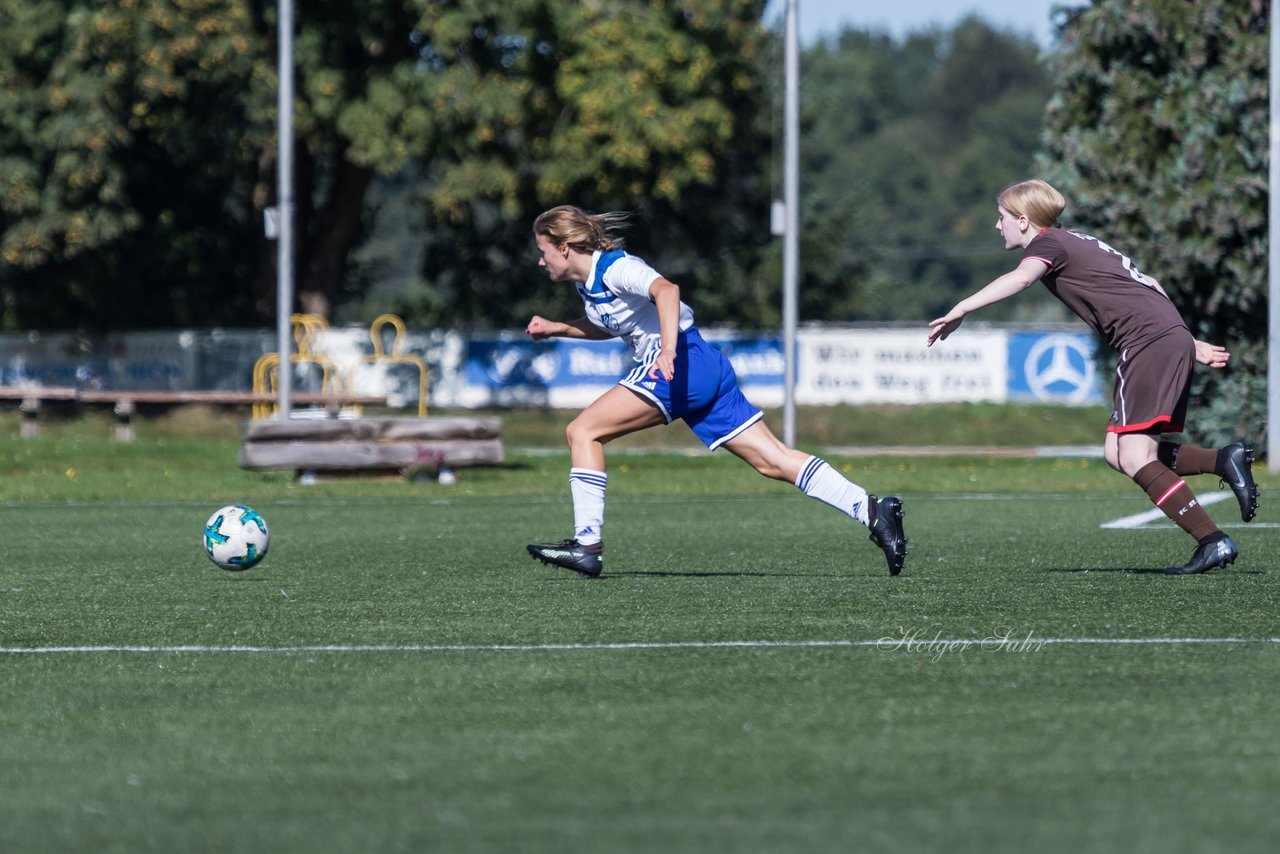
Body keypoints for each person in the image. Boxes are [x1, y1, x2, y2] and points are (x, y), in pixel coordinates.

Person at [523, 204, 908, 577]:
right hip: (701, 366)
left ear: (563, 247)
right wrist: (557, 328)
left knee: (583, 431)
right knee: (771, 460)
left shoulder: (616, 267)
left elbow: (667, 291)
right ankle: (873, 510)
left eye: (543, 252)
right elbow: (613, 325)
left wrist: (669, 351)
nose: (541, 262)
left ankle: (587, 547)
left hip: (681, 363)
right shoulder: (589, 285)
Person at [927, 179, 1258, 575]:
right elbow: (1150, 284)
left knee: (1135, 455)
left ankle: (1212, 540)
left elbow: (1020, 279)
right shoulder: (1076, 240)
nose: (997, 226)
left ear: (1023, 219)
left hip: (1147, 341)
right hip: (1161, 336)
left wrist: (962, 307)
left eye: (1001, 218)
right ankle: (1222, 460)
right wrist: (1187, 338)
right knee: (1116, 453)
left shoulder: (1047, 244)